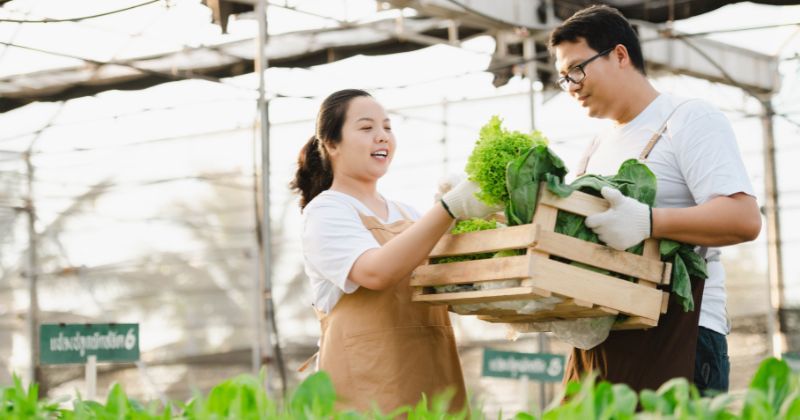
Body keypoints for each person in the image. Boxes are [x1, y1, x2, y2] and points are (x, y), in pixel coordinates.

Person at [547, 5, 761, 393]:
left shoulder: (687, 119)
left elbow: (743, 219)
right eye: (564, 78)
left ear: (619, 55)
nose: (572, 85)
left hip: (682, 335)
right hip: (603, 339)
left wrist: (649, 222)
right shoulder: (595, 147)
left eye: (577, 69)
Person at [290, 89, 498, 412]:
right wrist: (449, 208)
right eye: (366, 128)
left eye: (387, 127)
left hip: (434, 380)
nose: (382, 137)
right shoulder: (326, 211)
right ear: (331, 144)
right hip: (368, 389)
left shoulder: (409, 215)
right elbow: (375, 272)